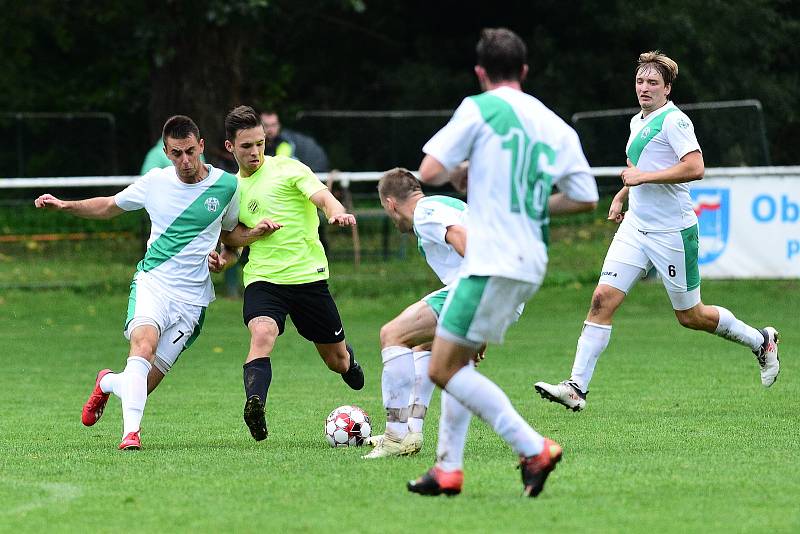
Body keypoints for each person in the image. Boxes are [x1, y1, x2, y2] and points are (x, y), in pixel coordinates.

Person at [406, 28, 599, 497]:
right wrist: (528, 205)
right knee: (458, 360)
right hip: (530, 258)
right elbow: (586, 197)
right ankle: (447, 468)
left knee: (438, 367)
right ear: (525, 72)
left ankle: (535, 447)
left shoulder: (480, 107)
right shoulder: (555, 124)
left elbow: (429, 172)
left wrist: (461, 171)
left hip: (491, 258)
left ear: (480, 73)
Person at [533, 51, 780, 412]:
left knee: (690, 316)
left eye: (652, 82)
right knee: (601, 300)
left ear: (667, 88)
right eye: (640, 81)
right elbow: (639, 167)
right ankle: (576, 388)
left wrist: (641, 178)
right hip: (636, 228)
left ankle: (760, 341)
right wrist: (621, 195)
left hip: (672, 233)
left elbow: (695, 167)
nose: (644, 88)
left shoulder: (674, 122)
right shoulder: (638, 121)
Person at [34, 115, 254, 450]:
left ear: (202, 147)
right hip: (153, 282)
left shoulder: (226, 187)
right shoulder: (155, 182)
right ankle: (130, 435)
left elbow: (231, 240)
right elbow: (109, 206)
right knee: (143, 347)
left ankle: (108, 382)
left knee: (143, 383)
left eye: (190, 152)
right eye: (176, 153)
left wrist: (225, 260)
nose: (184, 160)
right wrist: (65, 205)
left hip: (192, 300)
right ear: (166, 152)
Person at [214, 105, 364, 442]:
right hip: (264, 279)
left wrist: (336, 214)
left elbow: (325, 199)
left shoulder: (290, 168)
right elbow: (233, 245)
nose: (255, 152)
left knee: (336, 361)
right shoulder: (230, 190)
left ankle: (348, 361)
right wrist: (223, 261)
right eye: (246, 146)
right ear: (230, 147)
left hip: (307, 276)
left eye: (260, 144)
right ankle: (255, 405)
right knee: (262, 335)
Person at [363, 167, 472, 459]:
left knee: (392, 334)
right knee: (424, 343)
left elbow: (462, 238)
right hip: (497, 291)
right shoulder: (442, 206)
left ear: (390, 204)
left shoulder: (425, 213)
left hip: (478, 286)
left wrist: (479, 294)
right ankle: (412, 429)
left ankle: (395, 435)